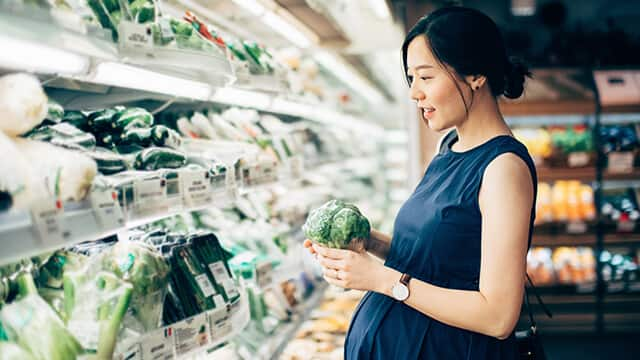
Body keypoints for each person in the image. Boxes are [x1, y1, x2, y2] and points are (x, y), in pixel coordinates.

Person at [303, 6, 537, 359]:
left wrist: (380, 280)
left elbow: (498, 316)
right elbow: (438, 257)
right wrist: (367, 243)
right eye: (411, 79)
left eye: (426, 78)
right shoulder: (450, 147)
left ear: (475, 74)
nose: (414, 93)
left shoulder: (503, 168)